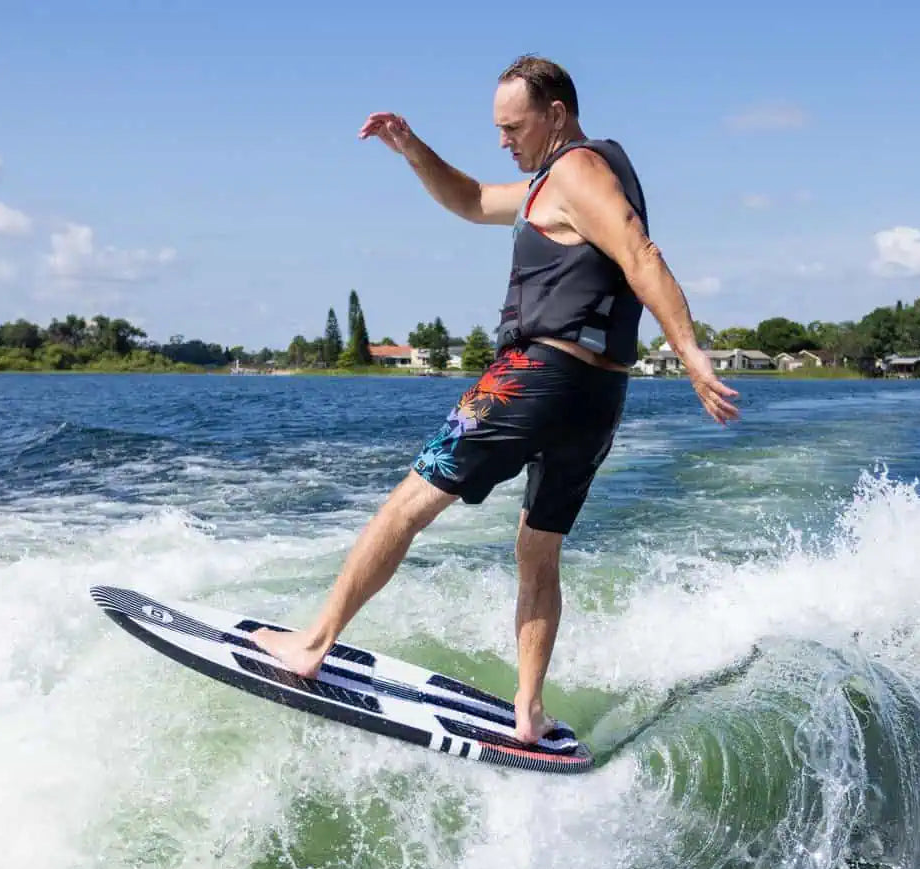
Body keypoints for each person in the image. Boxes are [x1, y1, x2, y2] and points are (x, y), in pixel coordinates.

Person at [253, 55, 739, 743]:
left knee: (408, 503)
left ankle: (313, 642)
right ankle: (528, 709)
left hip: (535, 376)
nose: (504, 139)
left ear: (557, 116)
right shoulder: (554, 184)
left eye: (513, 126)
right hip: (598, 395)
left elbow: (641, 255)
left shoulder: (576, 170)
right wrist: (413, 149)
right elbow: (474, 198)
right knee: (537, 549)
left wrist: (690, 352)